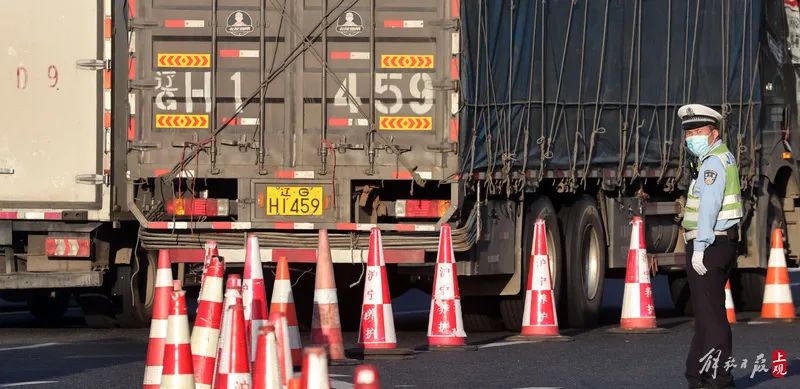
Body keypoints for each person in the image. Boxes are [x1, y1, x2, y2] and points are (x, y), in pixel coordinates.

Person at [678, 104, 743, 389]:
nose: (692, 136)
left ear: (714, 133)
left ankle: (718, 379)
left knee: (712, 318)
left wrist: (700, 247)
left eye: (699, 131)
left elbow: (709, 207)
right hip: (719, 243)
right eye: (689, 132)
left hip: (711, 244)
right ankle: (698, 376)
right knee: (706, 315)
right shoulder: (717, 158)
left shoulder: (713, 163)